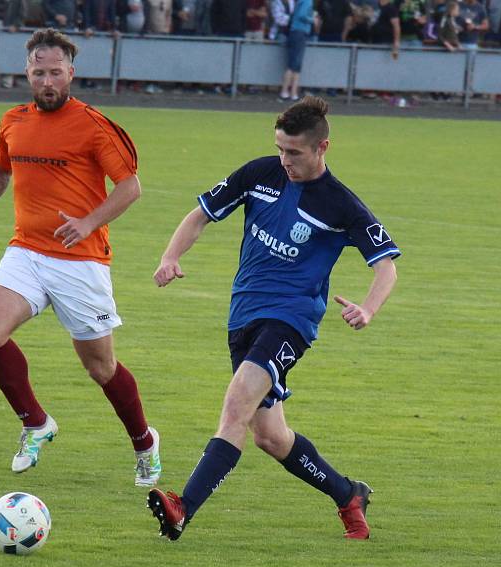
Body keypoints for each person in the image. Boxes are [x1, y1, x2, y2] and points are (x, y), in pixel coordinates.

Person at [146, 96, 400, 542]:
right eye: (280, 149)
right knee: (271, 436)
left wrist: (368, 307)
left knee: (236, 406)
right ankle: (348, 494)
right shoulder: (260, 173)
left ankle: (182, 507)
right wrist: (170, 255)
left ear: (323, 147)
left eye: (295, 152)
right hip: (242, 317)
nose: (285, 160)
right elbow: (201, 215)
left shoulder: (341, 205)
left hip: (290, 321)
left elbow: (386, 266)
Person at [0, 28, 162, 487]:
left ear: (71, 72)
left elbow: (130, 188)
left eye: (55, 72)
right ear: (27, 73)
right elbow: (0, 167)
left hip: (81, 260)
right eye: (38, 72)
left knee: (99, 367)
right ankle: (35, 423)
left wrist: (89, 222)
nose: (47, 81)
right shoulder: (13, 120)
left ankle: (145, 443)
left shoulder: (93, 125)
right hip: (26, 251)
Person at [279, 0, 314, 100]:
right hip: (300, 32)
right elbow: (302, 15)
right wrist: (312, 19)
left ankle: (292, 92)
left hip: (295, 32)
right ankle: (287, 92)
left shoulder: (300, 2)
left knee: (295, 64)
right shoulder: (307, 1)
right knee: (294, 64)